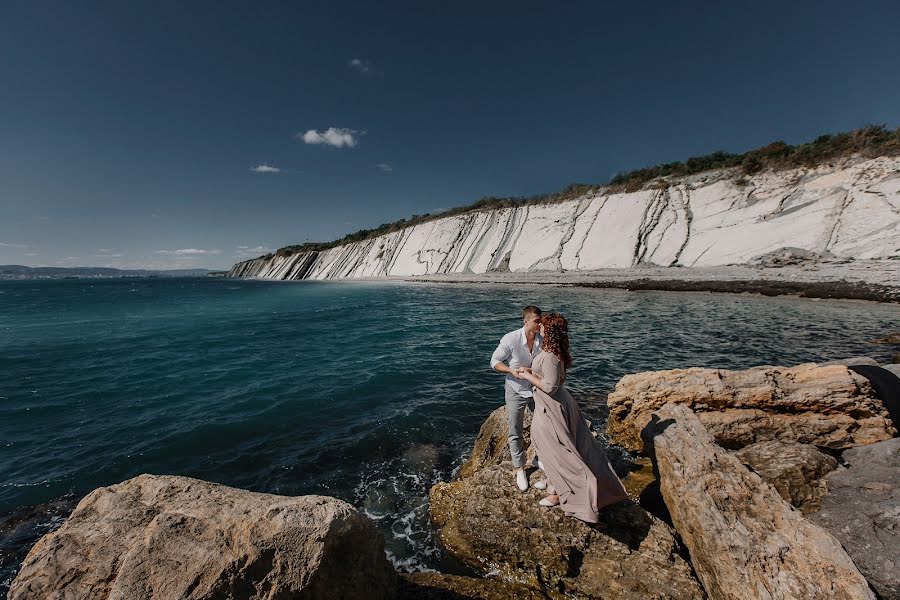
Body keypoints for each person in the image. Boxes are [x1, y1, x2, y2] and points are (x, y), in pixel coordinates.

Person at [517, 313, 629, 522]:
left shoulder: (550, 355)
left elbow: (549, 387)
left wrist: (527, 376)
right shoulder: (554, 352)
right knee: (552, 445)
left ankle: (557, 493)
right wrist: (531, 369)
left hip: (551, 406)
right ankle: (553, 482)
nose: (539, 327)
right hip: (557, 403)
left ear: (549, 332)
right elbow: (552, 377)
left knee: (555, 449)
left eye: (543, 326)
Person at [490, 306, 543, 491]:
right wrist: (511, 370)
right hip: (516, 389)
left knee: (543, 425)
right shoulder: (511, 338)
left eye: (541, 320)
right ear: (526, 321)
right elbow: (494, 361)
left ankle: (539, 457)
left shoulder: (542, 339)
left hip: (536, 388)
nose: (540, 324)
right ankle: (519, 468)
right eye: (537, 321)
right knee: (515, 430)